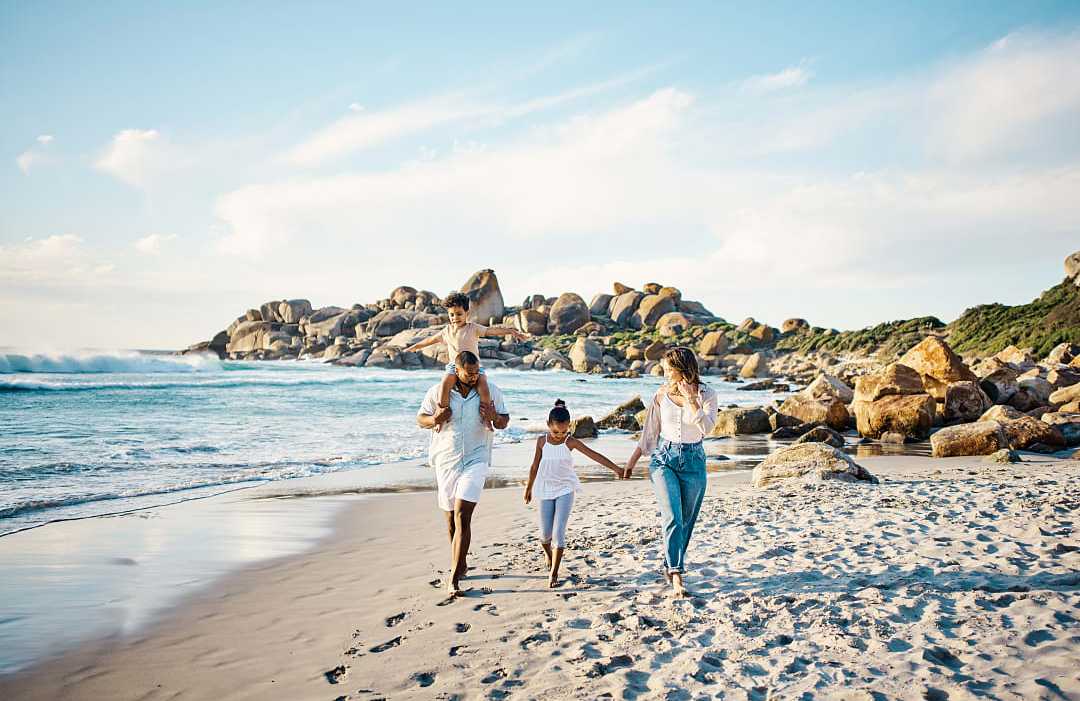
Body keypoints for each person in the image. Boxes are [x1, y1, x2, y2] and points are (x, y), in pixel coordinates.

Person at [625, 347, 719, 598]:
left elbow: (707, 429)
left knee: (686, 521)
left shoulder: (708, 394)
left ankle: (670, 564)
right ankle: (676, 574)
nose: (665, 374)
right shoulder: (661, 394)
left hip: (694, 462)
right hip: (664, 460)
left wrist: (691, 400)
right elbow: (650, 431)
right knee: (673, 517)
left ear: (682, 368)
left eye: (669, 370)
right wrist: (632, 461)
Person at [416, 351, 510, 598]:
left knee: (462, 515)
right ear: (456, 371)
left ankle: (454, 576)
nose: (473, 377)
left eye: (476, 372)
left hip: (477, 458)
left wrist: (495, 418)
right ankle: (462, 561)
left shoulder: (491, 390)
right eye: (468, 373)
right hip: (446, 461)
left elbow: (504, 421)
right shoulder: (438, 392)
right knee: (450, 521)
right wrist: (435, 417)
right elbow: (421, 419)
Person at [523, 400, 626, 588]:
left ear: (569, 427)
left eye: (564, 432)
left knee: (558, 533)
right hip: (546, 489)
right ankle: (548, 554)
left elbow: (594, 455)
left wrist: (616, 469)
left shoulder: (570, 442)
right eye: (556, 432)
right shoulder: (541, 442)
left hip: (565, 489)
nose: (560, 436)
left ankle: (554, 573)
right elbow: (534, 466)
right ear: (548, 425)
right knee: (544, 536)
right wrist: (529, 487)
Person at [405, 292, 528, 431]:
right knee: (445, 386)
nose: (455, 318)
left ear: (466, 313)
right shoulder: (447, 331)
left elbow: (491, 331)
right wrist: (416, 346)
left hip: (474, 367)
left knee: (484, 388)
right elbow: (430, 340)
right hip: (454, 367)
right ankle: (440, 418)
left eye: (458, 314)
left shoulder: (473, 328)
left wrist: (511, 331)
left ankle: (487, 419)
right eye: (451, 314)